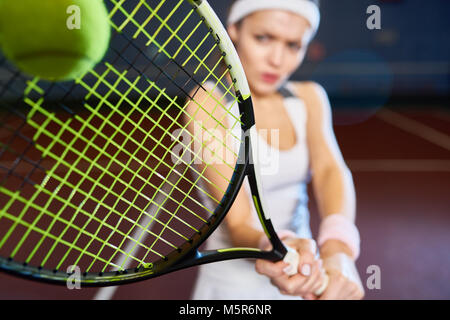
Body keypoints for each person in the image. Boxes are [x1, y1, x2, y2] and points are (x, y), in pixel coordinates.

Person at [190, 0, 364, 300]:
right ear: (234, 31)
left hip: (307, 270)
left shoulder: (310, 97)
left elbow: (329, 172)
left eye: (293, 45)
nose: (277, 60)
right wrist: (278, 246)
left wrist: (338, 253)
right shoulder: (207, 104)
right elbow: (238, 222)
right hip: (233, 291)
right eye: (264, 38)